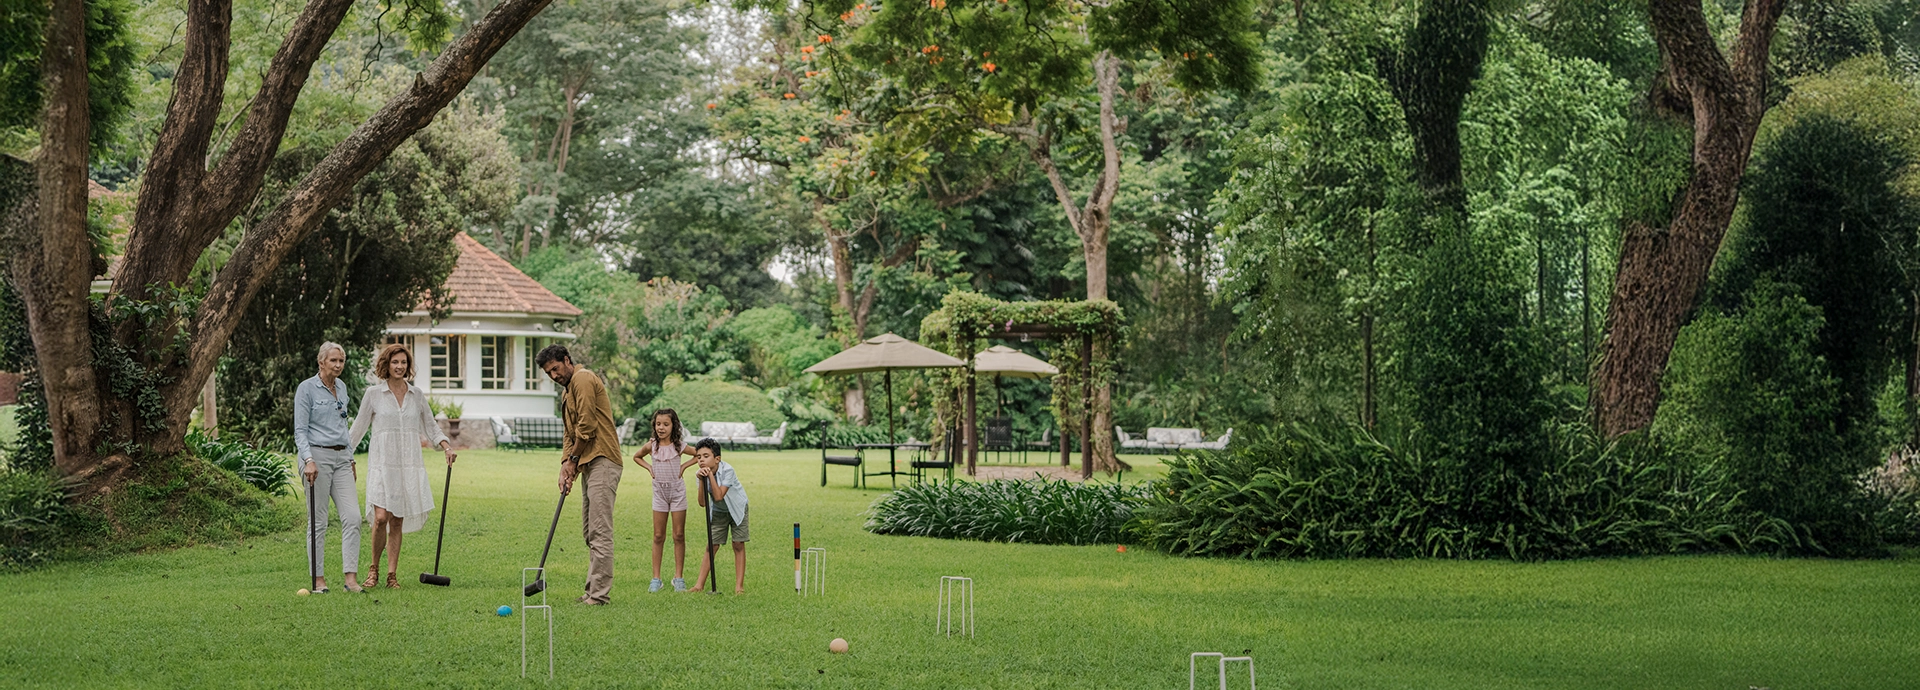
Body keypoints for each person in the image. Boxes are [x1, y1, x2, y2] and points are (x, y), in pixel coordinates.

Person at [347, 344, 456, 590]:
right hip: (382, 465)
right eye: (395, 362)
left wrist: (446, 447)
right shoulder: (373, 394)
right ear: (386, 364)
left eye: (403, 363)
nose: (400, 367)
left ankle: (391, 575)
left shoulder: (416, 395)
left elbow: (431, 426)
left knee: (396, 520)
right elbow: (358, 429)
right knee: (380, 517)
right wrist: (345, 455)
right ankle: (373, 568)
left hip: (408, 465)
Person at [539, 344, 624, 605]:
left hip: (603, 459)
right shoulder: (567, 393)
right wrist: (567, 464)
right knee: (589, 531)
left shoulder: (583, 379)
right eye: (548, 373)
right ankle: (591, 591)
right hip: (588, 462)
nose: (554, 376)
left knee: (599, 531)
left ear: (567, 360)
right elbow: (570, 433)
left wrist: (573, 461)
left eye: (555, 368)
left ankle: (598, 596)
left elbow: (586, 426)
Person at [293, 342, 363, 594]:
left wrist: (351, 458)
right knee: (318, 521)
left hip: (342, 457)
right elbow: (300, 431)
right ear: (321, 362)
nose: (338, 365)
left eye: (341, 361)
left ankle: (351, 579)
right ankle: (318, 580)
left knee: (353, 517)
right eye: (333, 360)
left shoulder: (342, 388)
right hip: (316, 459)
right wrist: (308, 460)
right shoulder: (306, 389)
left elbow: (343, 427)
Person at [633, 409, 696, 592]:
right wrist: (649, 468)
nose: (661, 427)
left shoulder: (679, 446)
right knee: (658, 535)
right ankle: (656, 578)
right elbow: (637, 457)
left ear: (673, 426)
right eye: (658, 424)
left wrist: (684, 465)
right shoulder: (652, 445)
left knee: (678, 535)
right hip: (659, 494)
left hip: (677, 493)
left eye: (665, 424)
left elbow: (698, 454)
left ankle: (678, 578)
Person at [690, 438, 749, 594]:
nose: (701, 459)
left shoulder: (728, 470)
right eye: (699, 457)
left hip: (737, 508)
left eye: (706, 456)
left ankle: (739, 587)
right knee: (712, 545)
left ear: (717, 459)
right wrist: (702, 479)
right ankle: (699, 585)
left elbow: (718, 496)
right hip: (718, 512)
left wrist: (709, 476)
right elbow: (702, 503)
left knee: (738, 544)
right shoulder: (699, 474)